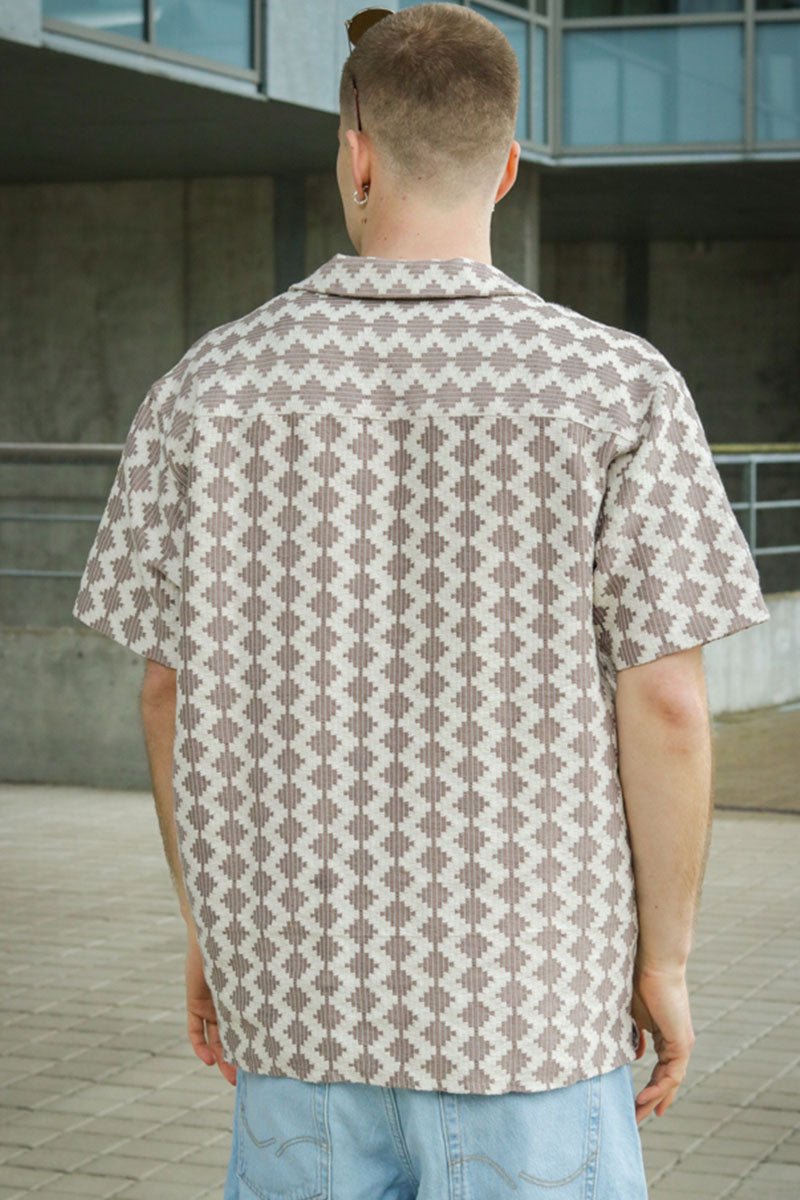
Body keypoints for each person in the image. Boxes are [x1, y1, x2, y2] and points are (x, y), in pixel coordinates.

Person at [72, 4, 771, 1198]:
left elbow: (166, 695)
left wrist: (212, 934)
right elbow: (664, 703)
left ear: (354, 155)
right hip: (530, 1011)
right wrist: (662, 961)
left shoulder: (206, 387)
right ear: (504, 166)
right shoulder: (616, 387)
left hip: (295, 1000)